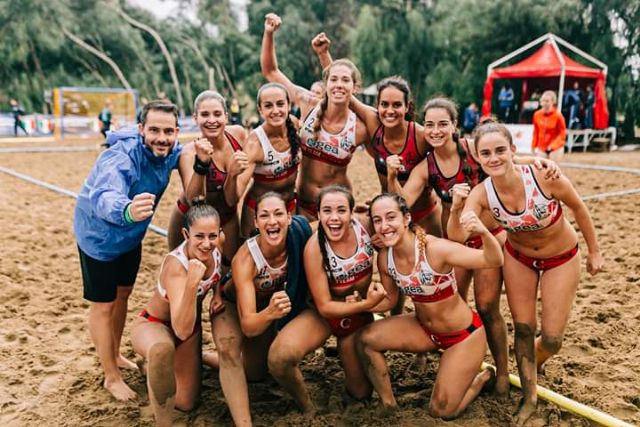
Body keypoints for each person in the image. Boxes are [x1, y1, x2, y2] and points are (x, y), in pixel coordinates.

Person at [387, 97, 559, 395]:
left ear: (454, 125)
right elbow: (401, 202)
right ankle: (439, 356)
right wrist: (391, 176)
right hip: (456, 240)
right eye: (429, 124)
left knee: (487, 306)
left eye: (443, 124)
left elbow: (506, 158)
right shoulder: (427, 167)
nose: (436, 130)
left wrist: (540, 161)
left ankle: (501, 373)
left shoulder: (472, 150)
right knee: (449, 302)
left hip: (491, 236)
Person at [447, 122, 602, 426]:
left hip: (561, 258)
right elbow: (457, 235)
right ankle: (529, 397)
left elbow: (579, 208)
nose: (494, 158)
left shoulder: (544, 176)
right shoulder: (481, 194)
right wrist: (455, 209)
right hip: (519, 258)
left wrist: (594, 251)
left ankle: (535, 359)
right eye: (486, 153)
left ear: (513, 151)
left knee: (553, 339)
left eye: (500, 150)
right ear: (477, 157)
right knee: (524, 328)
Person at [357, 193, 503, 419]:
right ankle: (388, 403)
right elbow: (390, 301)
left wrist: (483, 232)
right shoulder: (385, 258)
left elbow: (493, 260)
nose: (384, 226)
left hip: (463, 337)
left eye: (391, 217)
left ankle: (481, 379)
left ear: (406, 218)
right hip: (424, 330)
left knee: (441, 411)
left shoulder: (435, 249)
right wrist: (364, 304)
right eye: (377, 220)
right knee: (366, 339)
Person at [73, 100, 182, 401]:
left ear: (176, 132)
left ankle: (116, 353)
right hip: (99, 237)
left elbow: (187, 154)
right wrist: (127, 209)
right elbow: (104, 193)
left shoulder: (171, 150)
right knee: (103, 305)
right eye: (154, 130)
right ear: (141, 129)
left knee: (123, 294)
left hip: (130, 237)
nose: (162, 138)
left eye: (168, 131)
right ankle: (111, 376)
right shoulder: (121, 155)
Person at [311, 33, 442, 238]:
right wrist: (323, 55)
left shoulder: (420, 135)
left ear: (407, 107)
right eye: (384, 104)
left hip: (425, 214)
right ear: (377, 105)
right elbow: (343, 87)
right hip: (389, 218)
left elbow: (454, 149)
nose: (390, 111)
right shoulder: (374, 123)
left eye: (397, 105)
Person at [210, 192, 314, 423]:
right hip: (232, 305)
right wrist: (270, 313)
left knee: (255, 372)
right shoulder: (246, 260)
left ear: (289, 217)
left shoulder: (299, 233)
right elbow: (249, 326)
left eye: (278, 214)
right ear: (256, 222)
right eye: (264, 216)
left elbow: (330, 225)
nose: (272, 221)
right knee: (228, 350)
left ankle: (206, 358)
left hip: (266, 305)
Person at [261, 13, 369, 220]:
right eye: (333, 80)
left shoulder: (360, 127)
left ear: (355, 88)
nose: (338, 85)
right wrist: (269, 33)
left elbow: (385, 155)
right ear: (326, 84)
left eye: (345, 81)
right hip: (303, 205)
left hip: (336, 210)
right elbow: (271, 71)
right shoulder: (308, 103)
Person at [131, 202, 223, 426]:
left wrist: (218, 293)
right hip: (156, 324)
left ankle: (161, 367)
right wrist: (192, 282)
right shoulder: (177, 267)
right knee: (162, 349)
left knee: (186, 402)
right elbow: (181, 329)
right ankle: (163, 422)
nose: (206, 243)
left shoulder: (218, 245)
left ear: (219, 234)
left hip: (189, 326)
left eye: (212, 236)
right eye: (199, 236)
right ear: (186, 234)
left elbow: (223, 268)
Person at [299, 185, 393, 403]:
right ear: (318, 214)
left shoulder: (366, 226)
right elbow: (325, 307)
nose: (334, 217)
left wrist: (386, 242)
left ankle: (347, 352)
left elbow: (398, 221)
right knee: (281, 357)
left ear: (352, 213)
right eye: (327, 211)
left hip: (357, 317)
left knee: (360, 393)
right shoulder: (314, 248)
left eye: (341, 210)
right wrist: (365, 304)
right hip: (329, 313)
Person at [166, 90, 247, 263]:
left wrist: (232, 175)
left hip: (227, 216)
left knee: (227, 271)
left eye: (217, 114)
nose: (211, 120)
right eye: (204, 115)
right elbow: (195, 201)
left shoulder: (238, 135)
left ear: (226, 116)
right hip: (191, 219)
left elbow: (232, 200)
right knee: (182, 270)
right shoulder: (188, 153)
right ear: (195, 118)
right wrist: (201, 165)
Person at [238, 82, 301, 237]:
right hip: (260, 212)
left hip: (290, 206)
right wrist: (231, 174)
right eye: (268, 106)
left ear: (288, 105)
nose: (275, 111)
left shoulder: (294, 124)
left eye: (280, 104)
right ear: (260, 110)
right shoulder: (254, 144)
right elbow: (236, 191)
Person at [532, 90, 566, 161]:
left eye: (547, 101)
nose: (544, 103)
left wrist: (553, 146)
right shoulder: (536, 115)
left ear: (553, 102)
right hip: (541, 147)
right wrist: (533, 146)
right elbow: (536, 132)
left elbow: (562, 134)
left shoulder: (558, 116)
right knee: (540, 165)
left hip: (555, 148)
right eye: (543, 100)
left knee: (552, 166)